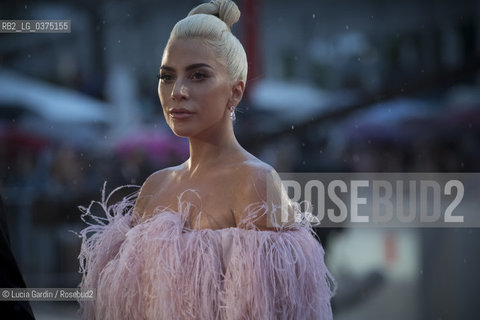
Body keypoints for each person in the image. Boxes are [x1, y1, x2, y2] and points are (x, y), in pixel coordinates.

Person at [77, 1, 336, 319]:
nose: (178, 91)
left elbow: (272, 309)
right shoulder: (154, 186)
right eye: (167, 76)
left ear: (235, 92)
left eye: (198, 75)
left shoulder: (254, 182)